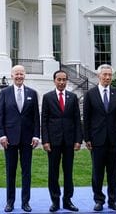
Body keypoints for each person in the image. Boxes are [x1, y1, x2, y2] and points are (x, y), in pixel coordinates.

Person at [0, 65, 40, 213]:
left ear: (25, 75)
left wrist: (36, 135)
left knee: (26, 172)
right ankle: (10, 202)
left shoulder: (32, 93)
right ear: (11, 75)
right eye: (16, 74)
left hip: (28, 139)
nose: (19, 76)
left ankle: (25, 202)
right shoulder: (4, 93)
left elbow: (36, 117)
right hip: (9, 139)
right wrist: (2, 135)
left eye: (21, 74)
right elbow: (0, 116)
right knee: (11, 171)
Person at [82, 64, 116, 212]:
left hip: (114, 140)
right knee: (98, 172)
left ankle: (113, 200)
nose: (107, 77)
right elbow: (86, 118)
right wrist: (87, 138)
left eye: (109, 75)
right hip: (96, 139)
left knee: (113, 172)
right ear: (98, 76)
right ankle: (99, 200)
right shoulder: (90, 94)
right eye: (104, 75)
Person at [41, 70, 82, 212]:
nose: (61, 82)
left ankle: (67, 200)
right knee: (53, 172)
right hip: (53, 141)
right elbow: (44, 120)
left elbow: (77, 120)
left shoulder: (73, 97)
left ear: (67, 81)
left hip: (70, 141)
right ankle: (55, 201)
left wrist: (78, 140)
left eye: (64, 79)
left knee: (68, 172)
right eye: (59, 79)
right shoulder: (47, 97)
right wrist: (45, 141)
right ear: (54, 81)